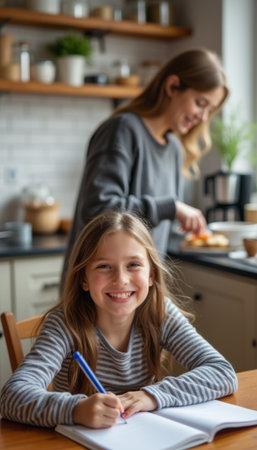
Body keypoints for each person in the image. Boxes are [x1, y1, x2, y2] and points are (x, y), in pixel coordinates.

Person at [0, 211, 237, 429]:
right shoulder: (64, 324)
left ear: (151, 275)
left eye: (133, 265)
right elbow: (12, 396)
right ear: (84, 279)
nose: (121, 279)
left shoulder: (160, 314)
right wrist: (76, 410)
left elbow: (222, 372)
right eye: (104, 266)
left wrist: (151, 396)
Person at [62, 47, 229, 283]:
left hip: (140, 290)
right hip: (98, 291)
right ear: (172, 86)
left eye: (209, 110)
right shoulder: (122, 130)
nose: (203, 117)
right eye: (200, 103)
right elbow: (98, 210)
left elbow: (151, 224)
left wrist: (176, 220)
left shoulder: (173, 147)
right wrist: (171, 208)